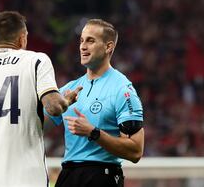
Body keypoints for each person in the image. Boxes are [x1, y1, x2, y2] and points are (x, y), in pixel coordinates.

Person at [0, 11, 82, 187]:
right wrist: (67, 101)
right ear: (22, 38)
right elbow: (54, 107)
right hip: (29, 178)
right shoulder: (36, 61)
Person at [47, 19, 144, 187]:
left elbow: (136, 150)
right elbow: (38, 126)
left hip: (102, 176)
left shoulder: (122, 89)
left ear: (108, 47)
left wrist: (93, 133)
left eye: (90, 41)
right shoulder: (69, 89)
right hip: (68, 176)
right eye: (81, 40)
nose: (83, 46)